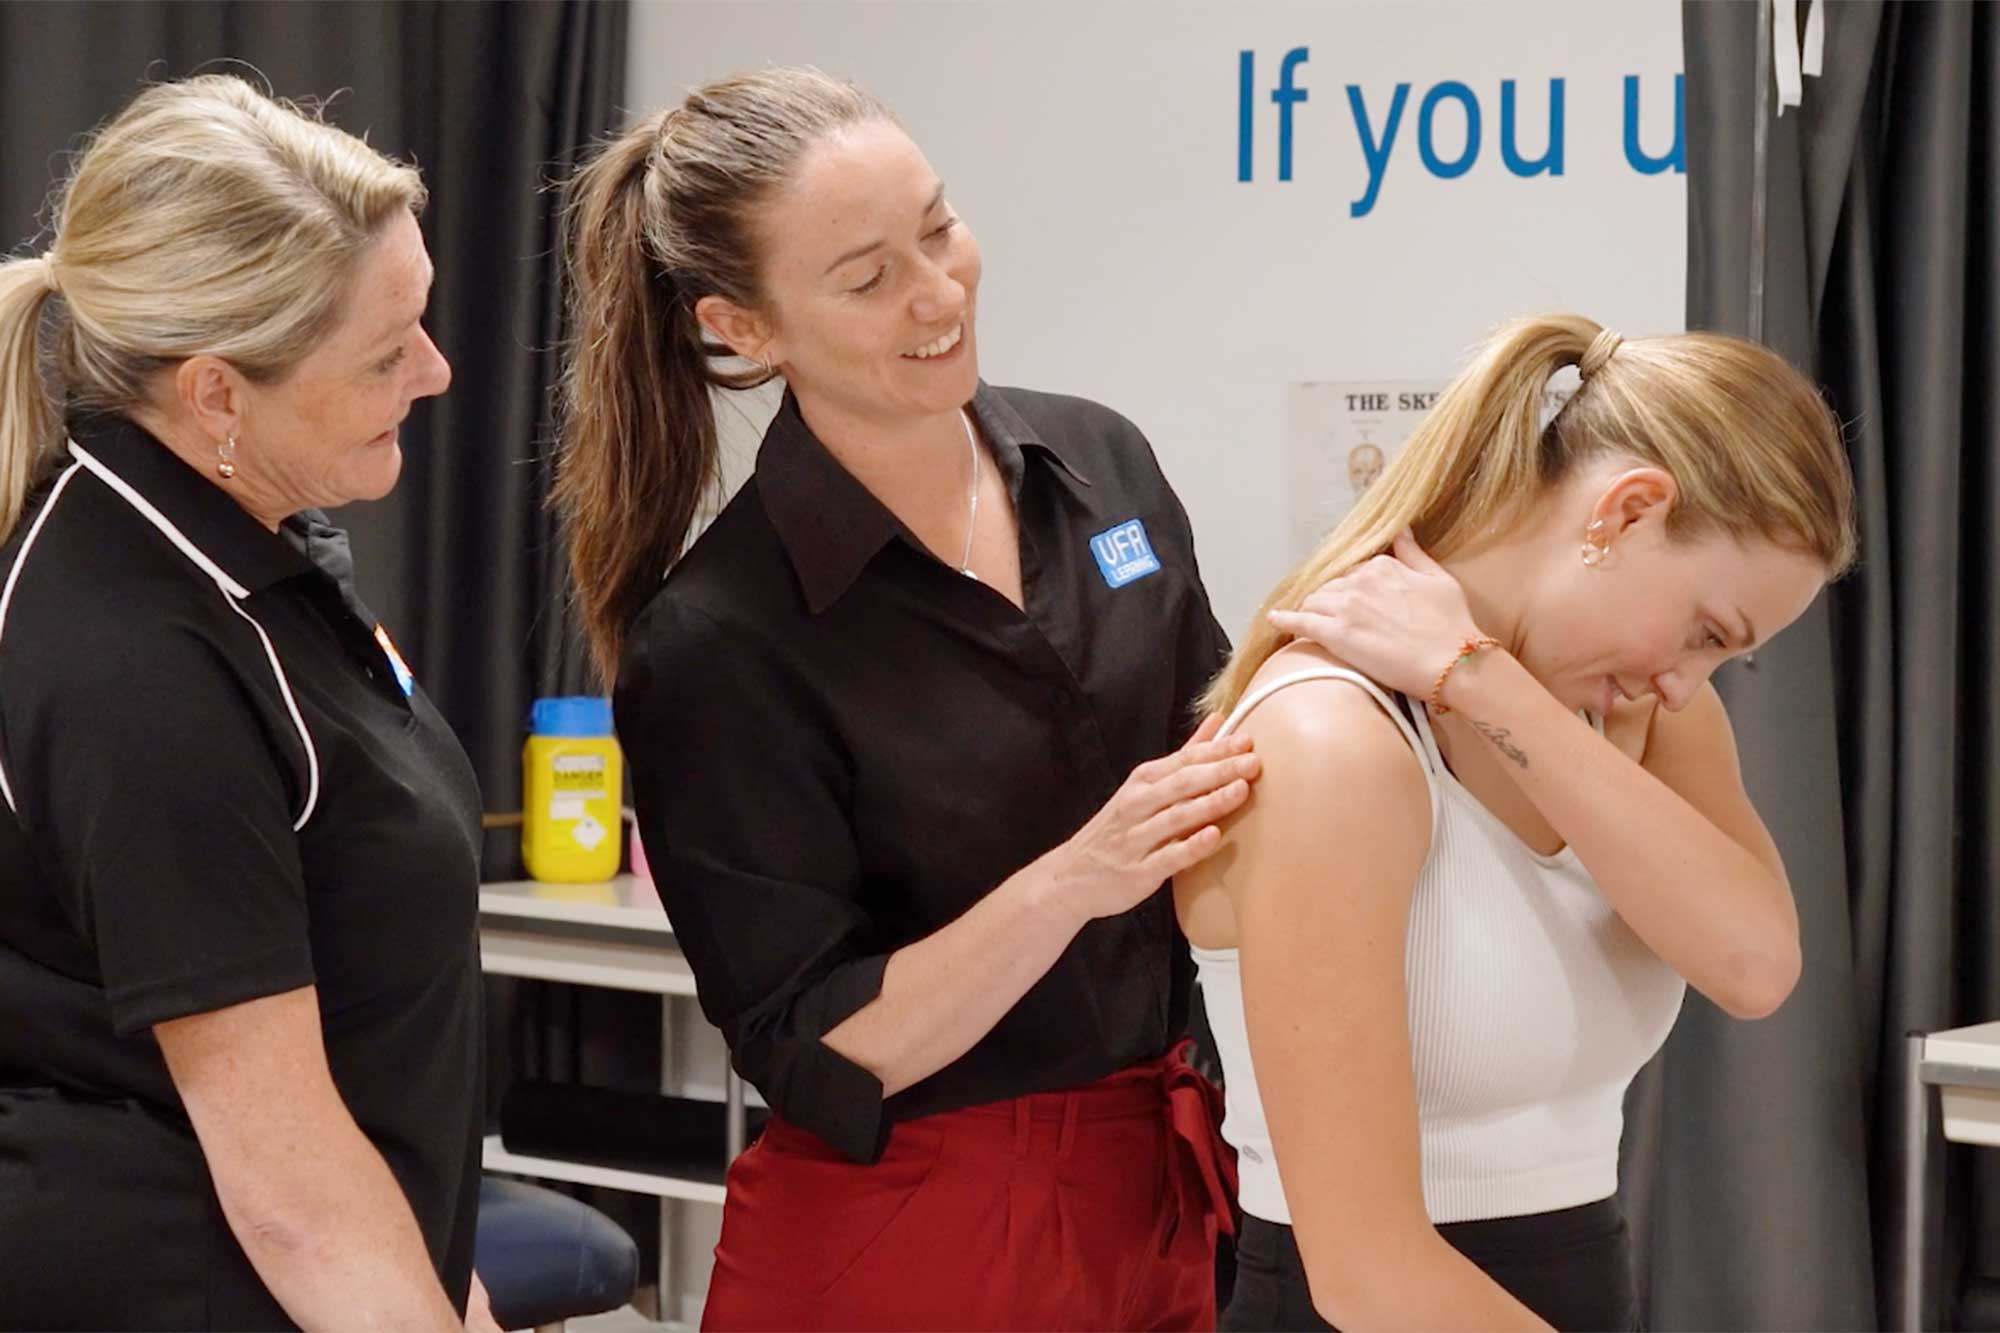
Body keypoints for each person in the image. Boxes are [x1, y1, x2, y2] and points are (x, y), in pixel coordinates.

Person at [556, 67, 1252, 1330]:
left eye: (937, 228)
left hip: (1158, 1185)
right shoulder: (718, 642)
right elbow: (812, 1040)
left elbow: (1216, 757)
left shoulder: (1101, 462)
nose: (937, 292)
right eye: (867, 277)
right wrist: (1074, 879)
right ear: (745, 328)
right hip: (912, 1233)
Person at [1176, 315, 1855, 1331]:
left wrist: (1481, 680)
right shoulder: (1333, 737)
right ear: (1626, 511)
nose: (1685, 680)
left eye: (1726, 657)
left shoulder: (1635, 715)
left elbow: (1752, 966)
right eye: (1704, 631)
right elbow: (1362, 1271)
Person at [0, 75, 498, 1331]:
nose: (435, 373)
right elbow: (291, 1192)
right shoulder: (136, 661)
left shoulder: (249, 547)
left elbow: (365, 1076)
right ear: (216, 392)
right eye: (388, 353)